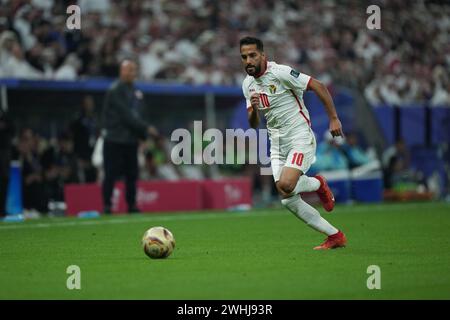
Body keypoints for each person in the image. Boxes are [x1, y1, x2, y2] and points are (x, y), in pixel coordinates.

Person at [240, 36, 347, 250]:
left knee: (287, 185)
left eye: (252, 55)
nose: (248, 61)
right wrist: (254, 110)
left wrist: (333, 118)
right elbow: (253, 123)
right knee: (287, 198)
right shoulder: (248, 84)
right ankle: (335, 236)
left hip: (300, 138)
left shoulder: (280, 73)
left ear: (263, 55)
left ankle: (318, 183)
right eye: (244, 57)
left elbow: (318, 85)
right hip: (278, 145)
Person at [101, 59, 158, 214]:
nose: (132, 73)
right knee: (110, 173)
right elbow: (127, 116)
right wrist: (146, 128)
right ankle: (107, 205)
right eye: (129, 70)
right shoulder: (115, 90)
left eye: (134, 70)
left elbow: (141, 114)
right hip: (114, 138)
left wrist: (143, 135)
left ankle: (132, 204)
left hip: (130, 140)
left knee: (132, 174)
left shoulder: (135, 92)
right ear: (122, 71)